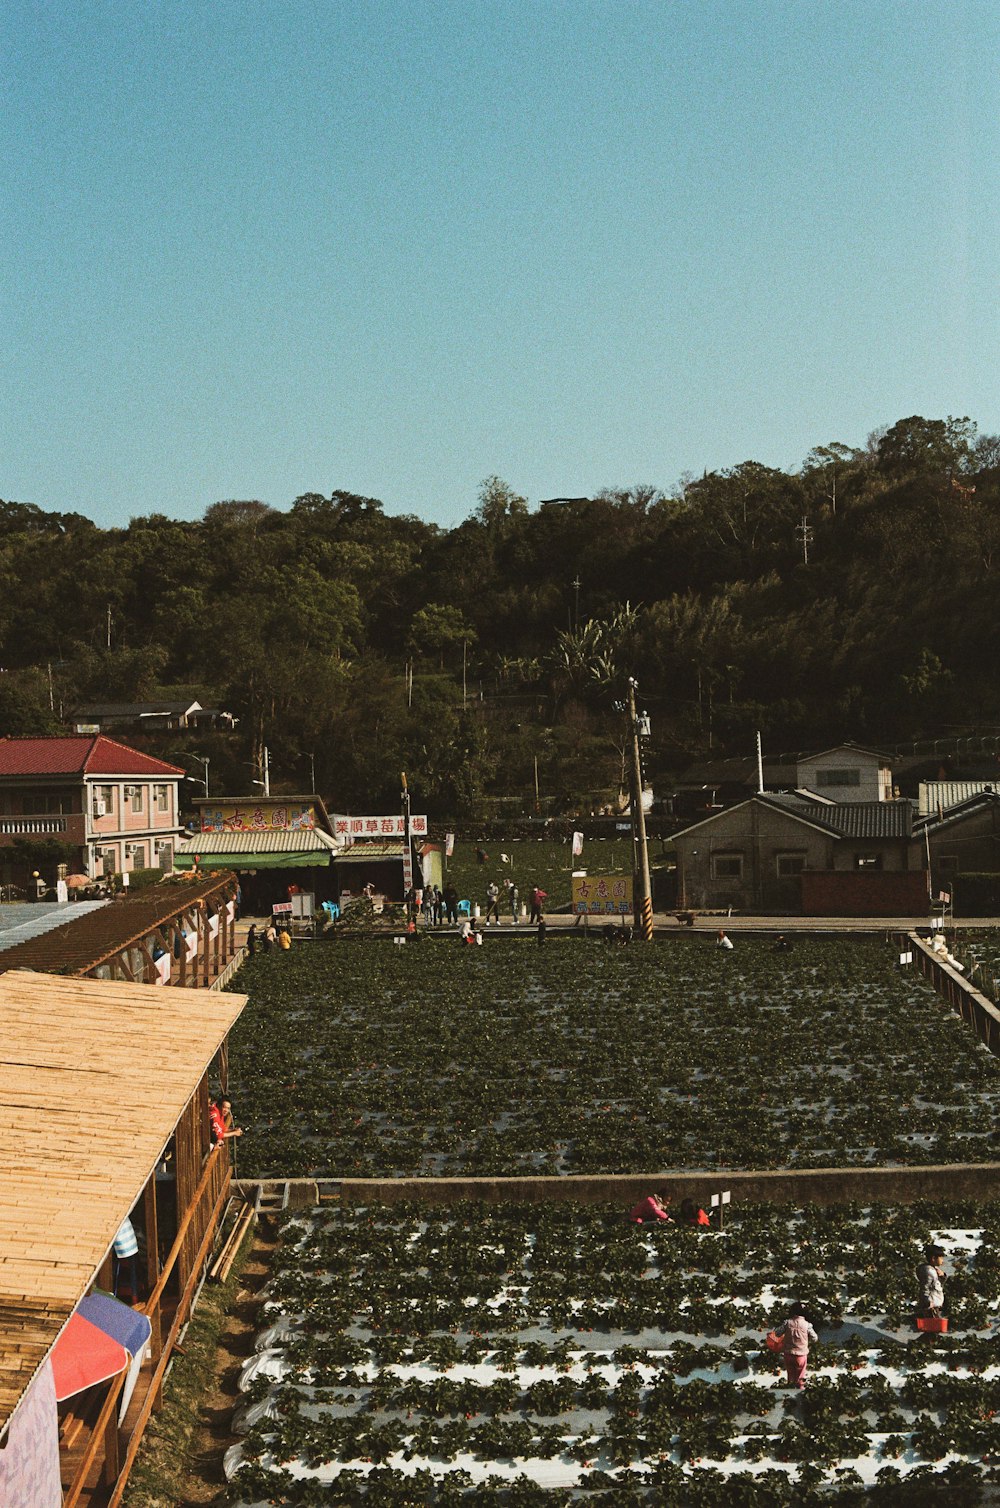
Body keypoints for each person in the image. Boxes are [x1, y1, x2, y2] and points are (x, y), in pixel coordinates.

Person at [771, 1302, 818, 1389]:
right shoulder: (807, 1325)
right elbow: (815, 1338)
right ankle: (799, 1393)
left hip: (788, 1353)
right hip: (801, 1355)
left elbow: (777, 1333)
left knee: (790, 1377)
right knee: (800, 1378)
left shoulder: (787, 1323)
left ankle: (790, 1391)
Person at [113, 1215, 140, 1302]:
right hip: (127, 1240)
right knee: (131, 1270)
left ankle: (134, 1297)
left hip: (125, 1239)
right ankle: (134, 1297)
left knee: (132, 1270)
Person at [916, 1244, 946, 1319]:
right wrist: (927, 1302)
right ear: (933, 1258)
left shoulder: (934, 1270)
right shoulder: (929, 1271)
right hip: (931, 1306)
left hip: (935, 1304)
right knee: (932, 1327)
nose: (942, 1260)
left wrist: (942, 1276)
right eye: (941, 1257)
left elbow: (938, 1284)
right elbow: (925, 1287)